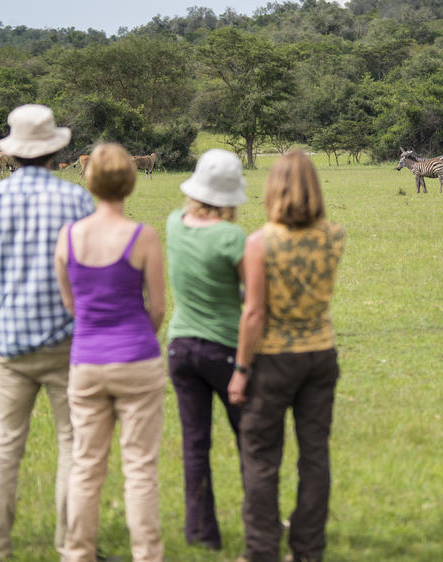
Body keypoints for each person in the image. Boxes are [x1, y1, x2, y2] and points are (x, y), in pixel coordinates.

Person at [0, 104, 95, 561]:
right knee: (74, 448)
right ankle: (74, 549)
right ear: (56, 152)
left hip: (9, 346)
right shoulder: (77, 200)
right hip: (68, 345)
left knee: (3, 451)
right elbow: (94, 275)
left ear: (10, 155)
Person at [228, 151, 346, 562]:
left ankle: (261, 550)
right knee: (315, 454)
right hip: (320, 354)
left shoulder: (259, 242)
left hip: (274, 358)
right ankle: (308, 549)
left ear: (272, 189)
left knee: (261, 456)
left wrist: (241, 369)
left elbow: (255, 312)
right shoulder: (334, 234)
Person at [54, 143, 166, 562]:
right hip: (137, 359)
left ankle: (77, 553)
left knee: (86, 466)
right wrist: (137, 335)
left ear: (90, 181)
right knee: (139, 470)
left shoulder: (68, 236)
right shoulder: (144, 237)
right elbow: (157, 308)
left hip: (87, 362)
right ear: (130, 182)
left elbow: (71, 304)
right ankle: (147, 555)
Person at [165, 149, 248, 550]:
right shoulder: (232, 237)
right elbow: (252, 298)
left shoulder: (173, 224)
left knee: (195, 442)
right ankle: (260, 520)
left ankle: (201, 533)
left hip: (180, 347)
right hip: (225, 350)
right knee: (250, 439)